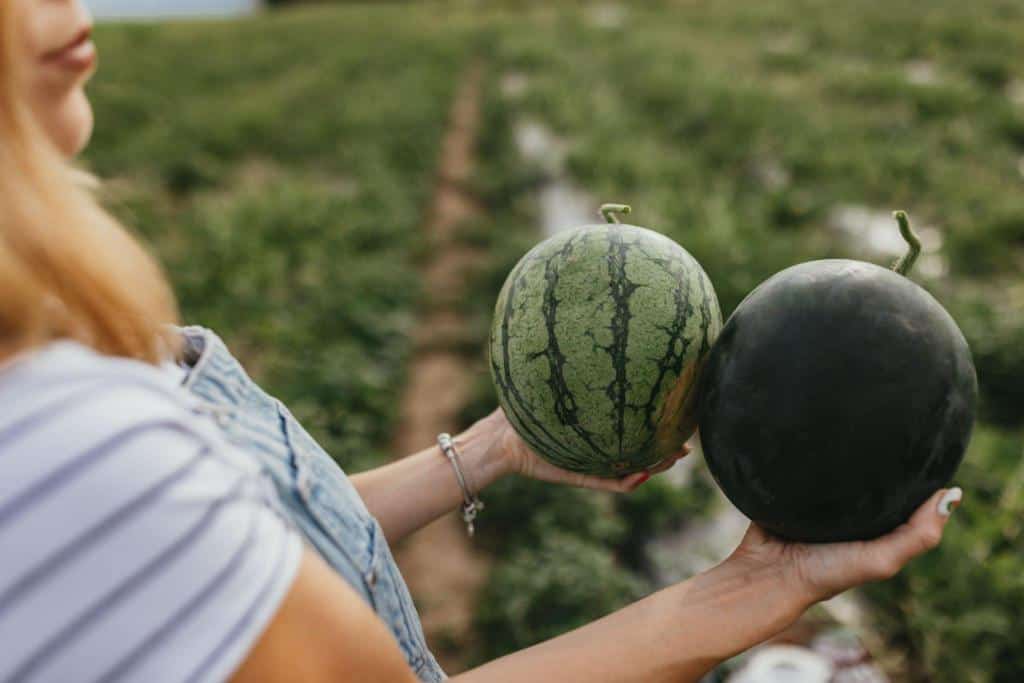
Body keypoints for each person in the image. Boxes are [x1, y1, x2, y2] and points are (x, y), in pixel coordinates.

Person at [0, 1, 963, 681]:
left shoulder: (49, 367)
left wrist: (496, 448)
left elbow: (236, 543)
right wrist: (754, 591)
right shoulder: (61, 444)